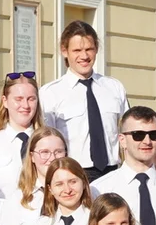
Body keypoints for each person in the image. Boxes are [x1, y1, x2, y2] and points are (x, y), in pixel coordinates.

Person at [40, 21, 129, 180]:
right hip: (73, 174)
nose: (84, 56)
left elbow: (128, 134)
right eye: (77, 50)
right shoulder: (50, 93)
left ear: (96, 49)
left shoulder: (114, 88)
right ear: (64, 51)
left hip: (113, 173)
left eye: (89, 49)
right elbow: (46, 143)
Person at [0, 73, 43, 200]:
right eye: (18, 99)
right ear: (5, 101)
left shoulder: (47, 142)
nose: (26, 105)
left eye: (31, 99)